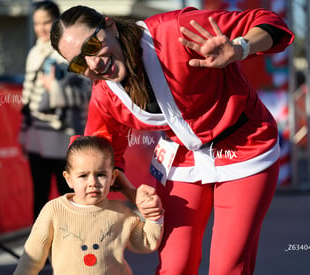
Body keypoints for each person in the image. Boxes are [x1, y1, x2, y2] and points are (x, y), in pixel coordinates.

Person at [50, 5, 294, 275]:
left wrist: (239, 48)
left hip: (244, 147)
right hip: (182, 158)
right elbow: (98, 153)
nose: (93, 62)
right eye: (79, 62)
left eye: (92, 45)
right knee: (175, 267)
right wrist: (133, 194)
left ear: (110, 26)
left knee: (227, 268)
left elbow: (269, 23)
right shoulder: (105, 95)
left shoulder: (174, 30)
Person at [13, 135, 164, 275]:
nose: (93, 182)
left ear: (113, 177)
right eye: (83, 176)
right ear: (68, 178)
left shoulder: (121, 212)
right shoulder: (54, 210)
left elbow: (146, 242)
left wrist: (153, 216)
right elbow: (31, 257)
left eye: (101, 174)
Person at [20, 0, 91, 220]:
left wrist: (56, 90)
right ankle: (40, 253)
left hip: (64, 139)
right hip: (37, 138)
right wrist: (23, 131)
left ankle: (72, 250)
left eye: (46, 22)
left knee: (69, 197)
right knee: (39, 198)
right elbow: (27, 94)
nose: (41, 28)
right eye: (36, 24)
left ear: (57, 22)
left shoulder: (70, 51)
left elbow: (86, 94)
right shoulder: (34, 53)